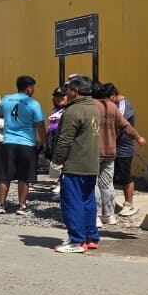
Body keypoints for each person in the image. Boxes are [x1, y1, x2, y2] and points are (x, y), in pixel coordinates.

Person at [51, 76, 100, 253]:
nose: (66, 93)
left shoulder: (73, 111)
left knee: (72, 202)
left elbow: (65, 140)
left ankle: (76, 240)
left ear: (75, 91)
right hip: (91, 163)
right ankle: (90, 237)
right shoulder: (94, 108)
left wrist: (57, 161)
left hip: (75, 163)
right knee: (88, 201)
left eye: (69, 89)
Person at [93, 84, 145, 226]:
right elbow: (126, 125)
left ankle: (96, 216)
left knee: (94, 184)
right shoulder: (113, 107)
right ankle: (109, 215)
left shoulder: (92, 106)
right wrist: (138, 137)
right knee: (107, 183)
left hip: (97, 151)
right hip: (111, 150)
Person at [0, 76, 47, 215]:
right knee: (24, 177)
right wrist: (43, 140)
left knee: (5, 176)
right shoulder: (33, 103)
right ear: (29, 88)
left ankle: (1, 204)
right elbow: (40, 124)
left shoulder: (6, 99)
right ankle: (22, 205)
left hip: (8, 141)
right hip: (26, 143)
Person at [104, 84, 141, 216]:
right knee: (109, 176)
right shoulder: (112, 105)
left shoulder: (124, 106)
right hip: (112, 145)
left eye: (108, 99)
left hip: (123, 147)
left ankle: (129, 204)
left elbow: (120, 124)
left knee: (125, 176)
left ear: (113, 96)